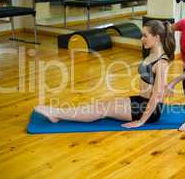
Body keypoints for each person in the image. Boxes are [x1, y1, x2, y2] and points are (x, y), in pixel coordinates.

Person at [34, 20, 175, 128]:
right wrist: (164, 85)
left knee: (102, 109)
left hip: (148, 110)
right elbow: (157, 83)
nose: (141, 39)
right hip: (140, 100)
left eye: (145, 36)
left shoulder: (161, 62)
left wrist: (141, 121)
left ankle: (56, 113)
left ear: (157, 38)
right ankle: (57, 113)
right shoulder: (152, 54)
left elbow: (156, 96)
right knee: (101, 103)